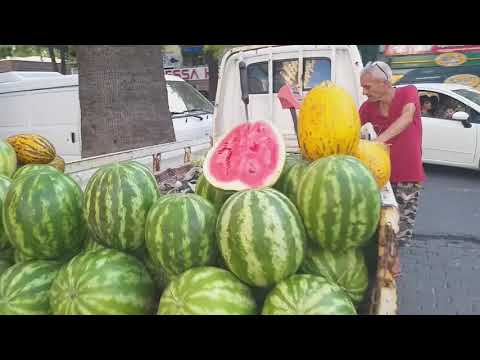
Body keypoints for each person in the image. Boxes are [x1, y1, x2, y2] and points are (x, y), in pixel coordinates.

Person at [359, 61, 426, 276]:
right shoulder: (367, 108)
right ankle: (386, 261)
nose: (364, 91)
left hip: (407, 173)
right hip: (380, 176)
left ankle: (393, 261)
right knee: (381, 222)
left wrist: (379, 141)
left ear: (384, 82)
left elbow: (406, 118)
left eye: (367, 86)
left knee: (403, 223)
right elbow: (349, 127)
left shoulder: (408, 92)